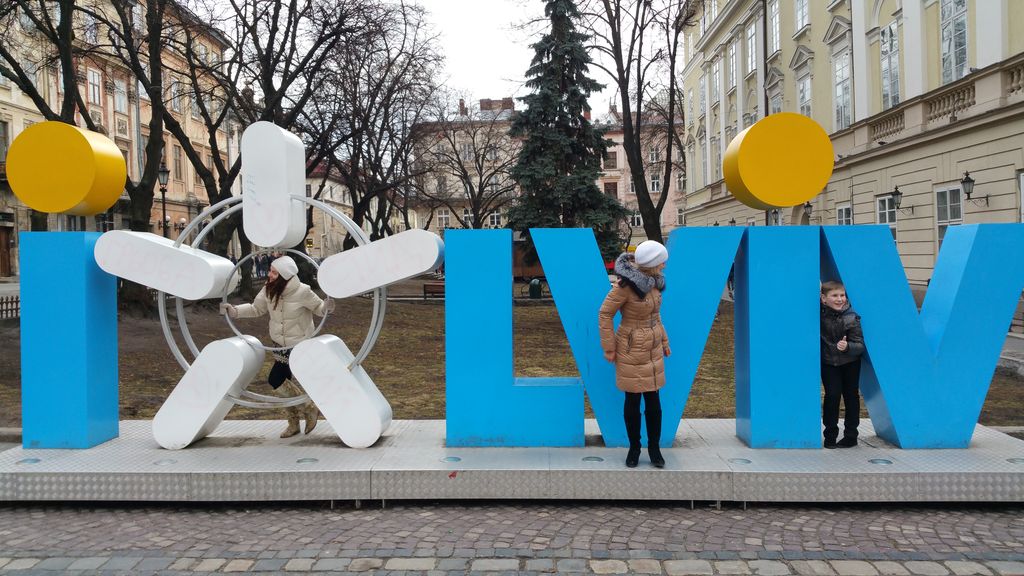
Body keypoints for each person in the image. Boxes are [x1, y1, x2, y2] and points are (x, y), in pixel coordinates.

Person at [220, 256, 335, 438]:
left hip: (299, 345)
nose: (270, 274)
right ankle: (295, 422)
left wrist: (327, 307)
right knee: (283, 380)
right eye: (271, 270)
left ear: (284, 275)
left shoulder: (303, 291)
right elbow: (255, 308)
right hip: (279, 345)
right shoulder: (269, 290)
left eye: (274, 272)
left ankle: (308, 408)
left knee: (276, 379)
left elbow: (318, 308)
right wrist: (235, 311)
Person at [598, 240, 671, 468]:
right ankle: (634, 448)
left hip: (653, 348)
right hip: (631, 347)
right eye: (662, 261)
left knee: (654, 401)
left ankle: (655, 449)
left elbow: (656, 316)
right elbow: (605, 314)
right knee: (632, 399)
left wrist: (665, 341)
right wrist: (609, 347)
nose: (664, 266)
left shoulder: (655, 284)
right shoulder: (625, 286)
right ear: (652, 263)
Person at [820, 280, 865, 448]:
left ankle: (851, 435)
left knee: (851, 397)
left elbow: (859, 345)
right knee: (832, 396)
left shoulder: (851, 317)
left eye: (842, 295)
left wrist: (847, 347)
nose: (840, 299)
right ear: (823, 299)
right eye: (835, 296)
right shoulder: (818, 315)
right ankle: (830, 435)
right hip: (829, 363)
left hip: (850, 363)